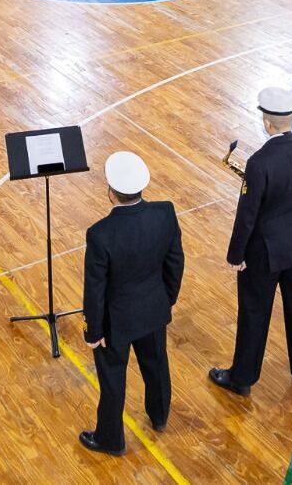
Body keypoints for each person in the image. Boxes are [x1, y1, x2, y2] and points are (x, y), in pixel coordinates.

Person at [210, 87, 292, 397]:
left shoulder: (259, 162)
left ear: (267, 122)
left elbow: (247, 215)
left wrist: (235, 255)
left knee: (254, 313)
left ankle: (242, 379)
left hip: (264, 252)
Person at [80, 152, 184, 457]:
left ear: (110, 192)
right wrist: (166, 299)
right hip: (153, 308)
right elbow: (175, 262)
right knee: (156, 365)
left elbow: (95, 289)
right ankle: (160, 415)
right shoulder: (165, 213)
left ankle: (111, 439)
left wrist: (93, 330)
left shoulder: (100, 234)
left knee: (113, 378)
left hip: (116, 322)